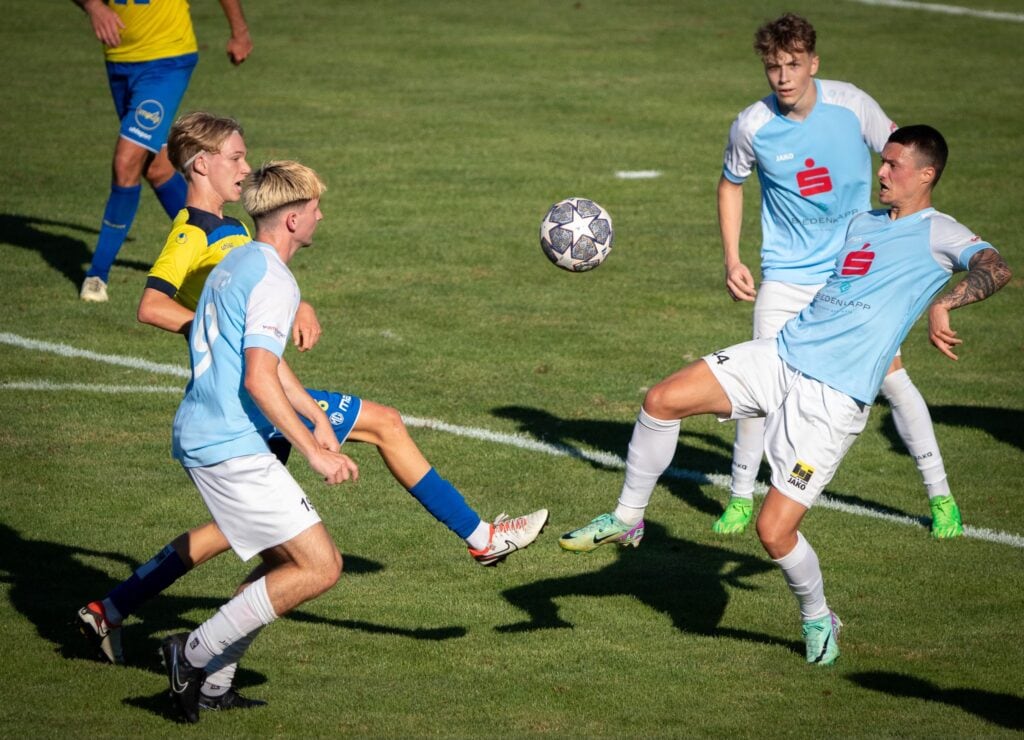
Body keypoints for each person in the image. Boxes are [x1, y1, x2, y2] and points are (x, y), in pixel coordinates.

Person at [76, 115, 547, 702]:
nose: (245, 168)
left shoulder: (238, 242)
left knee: (261, 543)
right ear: (202, 163)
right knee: (356, 474)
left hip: (247, 398)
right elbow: (154, 308)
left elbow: (257, 332)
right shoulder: (194, 233)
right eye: (235, 157)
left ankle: (153, 633)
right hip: (241, 407)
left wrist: (280, 339)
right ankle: (480, 537)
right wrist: (224, 329)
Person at [559, 125, 1010, 665]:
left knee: (773, 532)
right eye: (882, 162)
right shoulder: (863, 222)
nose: (882, 172)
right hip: (781, 355)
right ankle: (628, 517)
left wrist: (944, 303)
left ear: (926, 174)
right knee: (662, 399)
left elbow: (996, 266)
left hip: (832, 400)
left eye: (893, 165)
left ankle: (818, 615)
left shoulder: (940, 232)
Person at [712, 13, 963, 539]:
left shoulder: (853, 106)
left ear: (814, 64)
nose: (783, 77)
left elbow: (905, 159)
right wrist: (733, 257)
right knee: (761, 384)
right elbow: (731, 184)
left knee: (893, 381)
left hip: (854, 278)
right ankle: (740, 496)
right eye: (773, 67)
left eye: (793, 65)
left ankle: (940, 496)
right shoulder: (751, 126)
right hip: (785, 274)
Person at [156, 159, 361, 723]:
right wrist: (317, 453)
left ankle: (216, 683)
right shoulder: (274, 278)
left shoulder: (241, 257)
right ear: (293, 219)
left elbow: (263, 359)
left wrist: (314, 416)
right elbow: (256, 376)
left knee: (283, 559)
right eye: (315, 208)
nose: (320, 215)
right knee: (321, 567)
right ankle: (190, 653)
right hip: (229, 442)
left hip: (207, 432)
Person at [72, 0, 252, 303]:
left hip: (167, 59)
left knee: (126, 162)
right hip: (119, 59)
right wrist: (94, 7)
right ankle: (218, 245)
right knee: (156, 167)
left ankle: (97, 275)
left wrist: (240, 31)